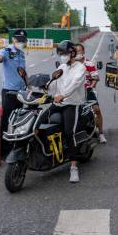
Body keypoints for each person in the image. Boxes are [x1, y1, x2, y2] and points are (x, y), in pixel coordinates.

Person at [48, 40, 87, 183]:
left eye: (64, 53)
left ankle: (73, 167)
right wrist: (43, 88)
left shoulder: (80, 68)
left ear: (72, 53)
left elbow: (75, 84)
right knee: (39, 120)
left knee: (69, 133)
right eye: (60, 54)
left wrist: (63, 95)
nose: (62, 56)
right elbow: (53, 84)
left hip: (71, 104)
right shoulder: (61, 67)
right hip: (57, 103)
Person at [0, 29, 27, 159]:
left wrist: (27, 86)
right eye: (18, 40)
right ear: (13, 40)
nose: (20, 42)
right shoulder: (7, 50)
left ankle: (14, 147)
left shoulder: (22, 53)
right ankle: (3, 151)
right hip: (9, 92)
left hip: (21, 92)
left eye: (22, 41)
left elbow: (23, 72)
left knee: (18, 121)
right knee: (6, 121)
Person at [76, 43, 107, 143]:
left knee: (96, 109)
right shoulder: (71, 64)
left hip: (87, 90)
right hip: (74, 91)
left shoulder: (89, 63)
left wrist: (91, 86)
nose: (77, 53)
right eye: (75, 51)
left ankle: (101, 133)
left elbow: (95, 77)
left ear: (83, 52)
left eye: (79, 51)